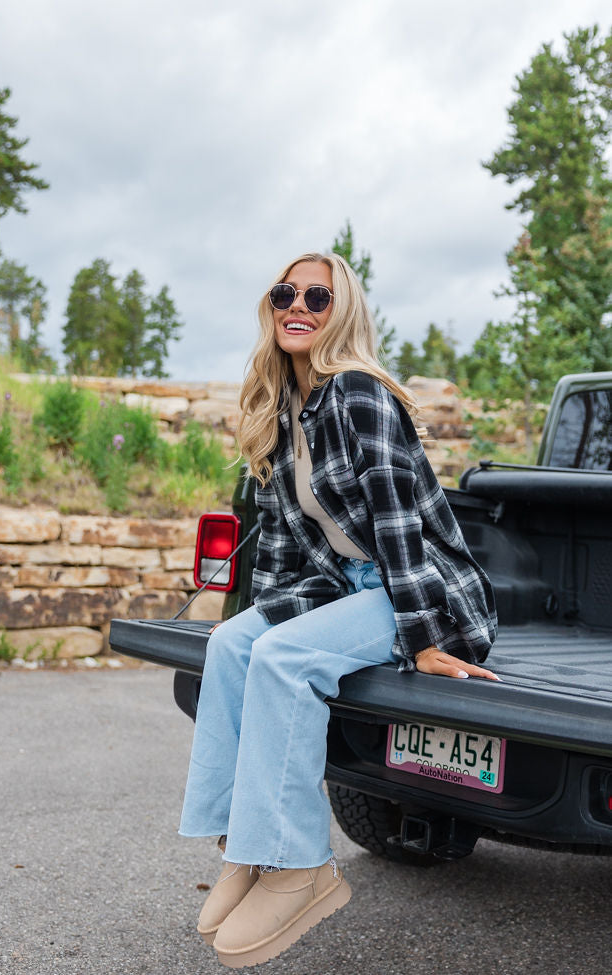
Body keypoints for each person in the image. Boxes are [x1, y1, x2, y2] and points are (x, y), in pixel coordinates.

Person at [179, 252, 498, 968]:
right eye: (285, 292)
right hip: (344, 585)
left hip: (418, 589)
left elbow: (398, 527)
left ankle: (299, 865)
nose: (299, 304)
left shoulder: (360, 394)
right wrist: (259, 616)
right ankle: (245, 843)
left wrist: (421, 640)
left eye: (317, 296)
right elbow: (287, 551)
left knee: (285, 659)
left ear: (341, 311)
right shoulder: (279, 407)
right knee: (233, 645)